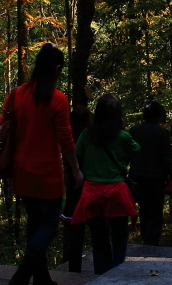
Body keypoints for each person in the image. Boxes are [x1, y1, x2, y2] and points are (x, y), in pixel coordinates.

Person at [0, 43, 83, 285]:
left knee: (35, 224)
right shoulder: (58, 99)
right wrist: (76, 171)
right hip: (48, 175)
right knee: (48, 226)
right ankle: (22, 276)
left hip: (22, 172)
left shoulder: (17, 95)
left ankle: (42, 279)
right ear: (57, 69)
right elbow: (66, 139)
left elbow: (3, 125)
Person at [72, 93, 140, 275]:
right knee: (119, 237)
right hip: (116, 192)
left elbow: (77, 155)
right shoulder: (123, 136)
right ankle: (116, 275)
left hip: (91, 191)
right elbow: (137, 152)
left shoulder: (87, 134)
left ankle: (101, 276)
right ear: (118, 114)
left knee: (98, 240)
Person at [128, 101, 172, 246]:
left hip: (137, 177)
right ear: (159, 116)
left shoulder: (134, 130)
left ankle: (145, 240)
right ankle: (151, 244)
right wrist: (171, 175)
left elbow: (128, 153)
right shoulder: (162, 132)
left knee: (144, 210)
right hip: (155, 178)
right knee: (155, 212)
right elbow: (166, 155)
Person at [62, 104, 92, 272]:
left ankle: (74, 271)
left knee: (75, 235)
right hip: (92, 190)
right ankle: (102, 271)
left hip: (74, 193)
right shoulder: (92, 137)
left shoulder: (69, 138)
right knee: (98, 234)